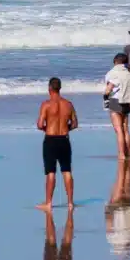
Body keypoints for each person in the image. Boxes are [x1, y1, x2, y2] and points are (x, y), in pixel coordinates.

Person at [36, 78, 77, 211]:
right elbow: (75, 124)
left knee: (51, 172)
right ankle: (70, 202)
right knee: (67, 170)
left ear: (49, 89)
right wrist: (66, 129)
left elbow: (40, 124)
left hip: (50, 140)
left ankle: (48, 203)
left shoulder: (46, 105)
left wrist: (47, 129)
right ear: (60, 88)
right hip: (64, 139)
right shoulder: (68, 104)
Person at [104, 53, 130, 159]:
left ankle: (121, 154)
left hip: (115, 101)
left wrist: (105, 97)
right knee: (125, 129)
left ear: (115, 61)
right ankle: (127, 152)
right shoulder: (129, 73)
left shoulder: (113, 73)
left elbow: (109, 89)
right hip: (126, 102)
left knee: (118, 130)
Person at [104, 160, 130, 260]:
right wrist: (107, 210)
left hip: (126, 209)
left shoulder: (129, 239)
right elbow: (109, 223)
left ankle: (127, 161)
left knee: (125, 181)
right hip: (118, 210)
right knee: (120, 180)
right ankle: (124, 161)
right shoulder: (113, 240)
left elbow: (109, 223)